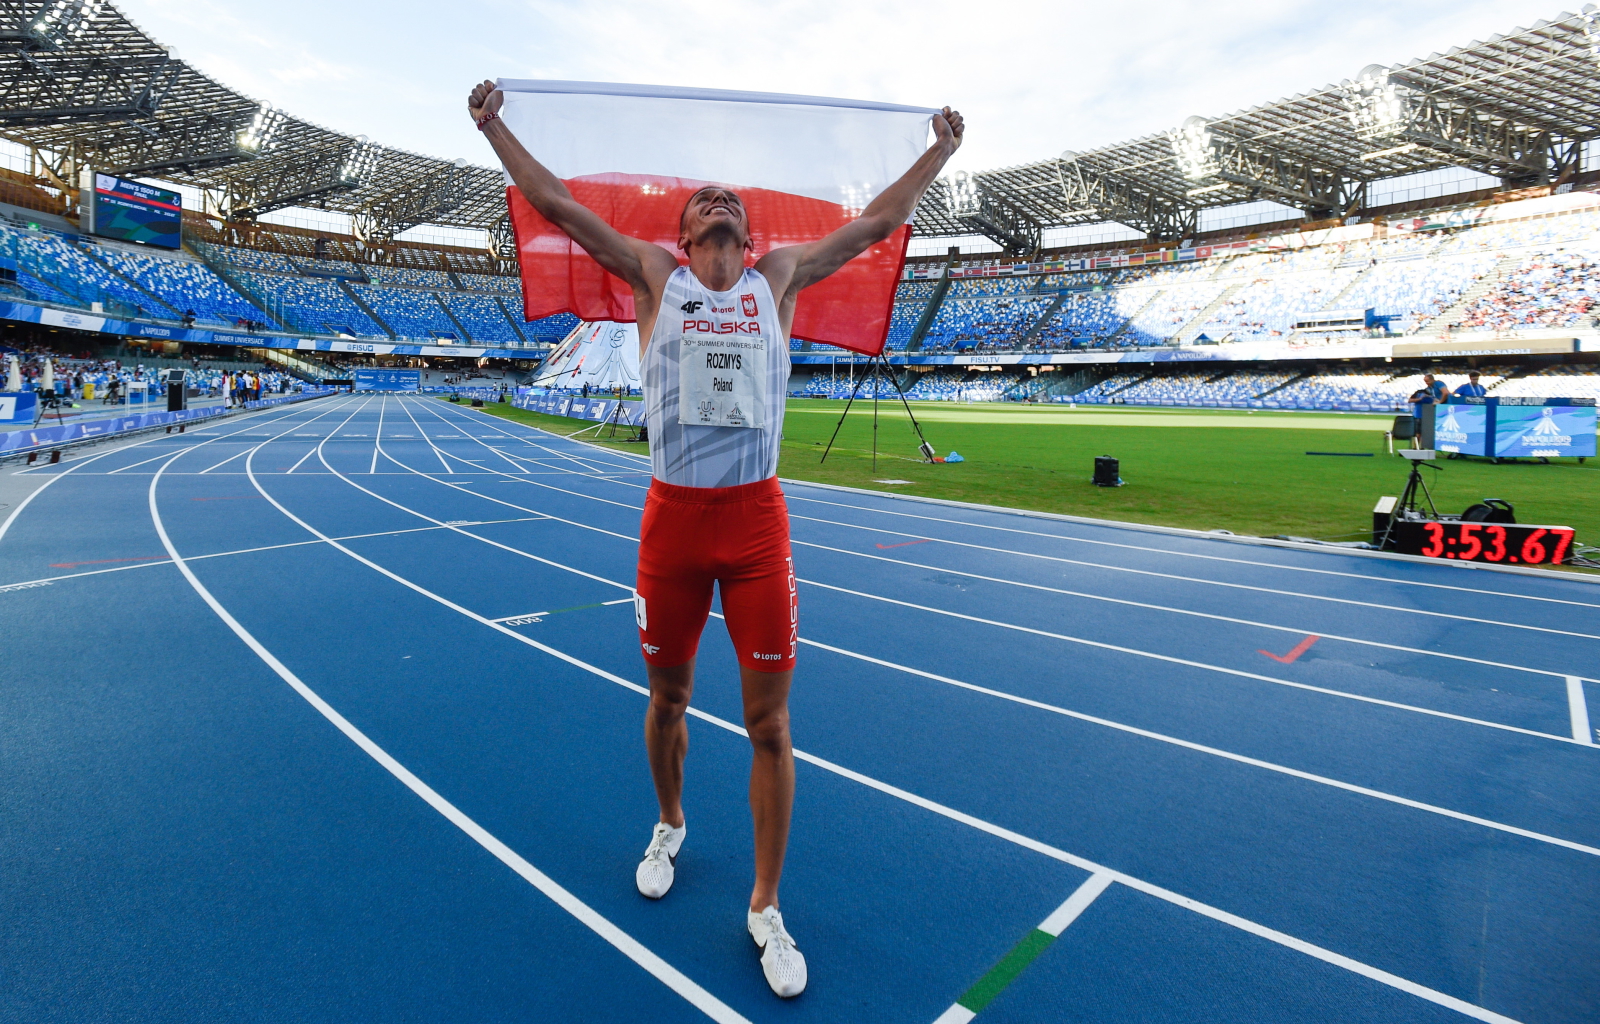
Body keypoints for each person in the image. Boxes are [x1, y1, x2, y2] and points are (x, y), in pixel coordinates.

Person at [468, 78, 963, 999]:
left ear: (746, 234)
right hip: (673, 521)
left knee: (769, 722)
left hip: (754, 524)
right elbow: (556, 206)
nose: (724, 199)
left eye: (734, 199)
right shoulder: (654, 277)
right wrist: (497, 130)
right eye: (708, 200)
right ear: (689, 234)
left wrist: (937, 153)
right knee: (668, 700)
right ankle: (669, 822)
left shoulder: (780, 279)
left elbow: (877, 222)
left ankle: (766, 906)